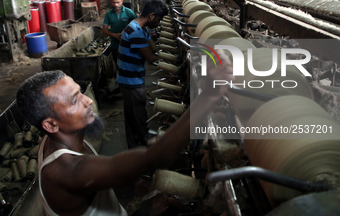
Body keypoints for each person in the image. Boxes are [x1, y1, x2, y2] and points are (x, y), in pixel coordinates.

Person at [16, 54, 234, 215]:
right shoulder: (68, 170)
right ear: (51, 124)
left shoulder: (54, 141)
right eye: (74, 101)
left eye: (80, 92)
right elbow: (158, 156)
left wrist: (127, 179)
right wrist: (210, 94)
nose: (88, 100)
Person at [117, 0, 167, 149]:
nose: (159, 23)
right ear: (151, 15)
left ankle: (134, 147)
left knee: (132, 116)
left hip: (129, 79)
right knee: (139, 117)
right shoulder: (135, 33)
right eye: (159, 19)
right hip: (131, 82)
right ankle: (144, 150)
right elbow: (151, 58)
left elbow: (154, 49)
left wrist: (164, 53)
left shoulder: (140, 28)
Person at [102, 0, 136, 65]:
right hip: (115, 44)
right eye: (113, 2)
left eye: (118, 2)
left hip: (128, 44)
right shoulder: (108, 14)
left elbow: (137, 26)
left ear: (122, 1)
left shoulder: (129, 12)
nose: (116, 5)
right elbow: (104, 30)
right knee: (117, 63)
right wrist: (115, 35)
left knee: (128, 63)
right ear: (110, 2)